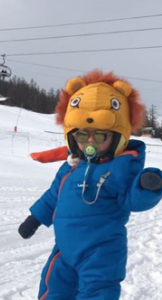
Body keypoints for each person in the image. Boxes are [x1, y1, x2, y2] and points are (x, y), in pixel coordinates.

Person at [18, 70, 162, 300]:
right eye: (83, 136)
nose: (90, 142)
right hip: (65, 249)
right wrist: (34, 218)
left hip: (101, 252)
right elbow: (54, 195)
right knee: (53, 288)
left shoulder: (121, 167)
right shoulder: (71, 166)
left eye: (100, 135)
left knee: (97, 293)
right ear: (72, 136)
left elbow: (132, 199)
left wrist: (147, 187)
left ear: (116, 136)